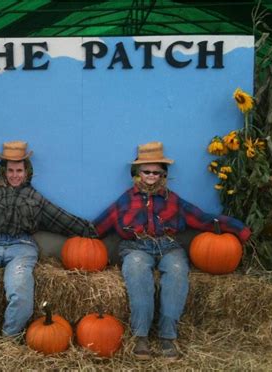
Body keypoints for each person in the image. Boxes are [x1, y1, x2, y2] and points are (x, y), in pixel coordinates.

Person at [93, 141, 251, 360]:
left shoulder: (173, 200)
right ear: (137, 173)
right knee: (137, 272)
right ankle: (141, 336)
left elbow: (202, 219)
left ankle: (168, 336)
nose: (151, 176)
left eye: (156, 172)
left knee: (177, 272)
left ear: (163, 175)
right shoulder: (126, 200)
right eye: (146, 171)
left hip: (168, 246)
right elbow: (100, 225)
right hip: (135, 247)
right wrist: (79, 235)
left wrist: (238, 229)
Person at [0, 141, 96, 347]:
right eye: (11, 170)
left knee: (20, 287)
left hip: (22, 247)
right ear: (3, 171)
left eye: (19, 170)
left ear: (27, 171)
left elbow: (60, 218)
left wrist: (91, 231)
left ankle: (8, 340)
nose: (15, 175)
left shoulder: (34, 197)